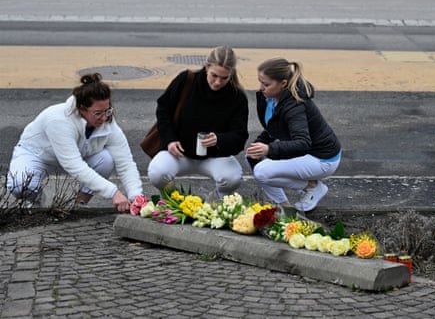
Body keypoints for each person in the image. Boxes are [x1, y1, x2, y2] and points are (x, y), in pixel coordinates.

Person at [7, 73, 144, 212]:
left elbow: (125, 163)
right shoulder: (58, 120)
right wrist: (113, 192)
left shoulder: (107, 122)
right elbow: (74, 165)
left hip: (77, 155)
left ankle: (77, 207)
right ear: (82, 108)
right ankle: (36, 202)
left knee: (106, 160)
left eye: (107, 111)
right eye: (98, 113)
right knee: (20, 186)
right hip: (38, 155)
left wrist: (136, 196)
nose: (104, 118)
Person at [148, 46, 249, 199]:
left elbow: (240, 136)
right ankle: (173, 199)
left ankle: (216, 201)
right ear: (206, 67)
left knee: (232, 178)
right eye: (214, 75)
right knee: (157, 172)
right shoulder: (186, 79)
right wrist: (170, 140)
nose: (217, 82)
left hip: (213, 157)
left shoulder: (237, 97)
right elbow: (164, 110)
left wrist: (219, 140)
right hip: (180, 152)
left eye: (224, 78)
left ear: (231, 75)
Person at [246, 57, 341, 212]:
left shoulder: (295, 105)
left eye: (266, 84)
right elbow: (275, 126)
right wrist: (259, 144)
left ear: (283, 83)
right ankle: (283, 206)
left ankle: (313, 187)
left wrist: (269, 149)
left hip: (322, 158)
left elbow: (303, 142)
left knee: (262, 171)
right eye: (260, 82)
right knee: (252, 156)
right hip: (305, 153)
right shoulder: (272, 98)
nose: (261, 88)